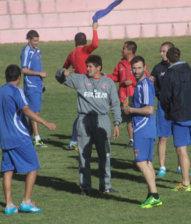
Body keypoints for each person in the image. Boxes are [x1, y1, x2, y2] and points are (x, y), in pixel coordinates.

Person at [56, 55, 122, 195]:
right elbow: (59, 78)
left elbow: (115, 104)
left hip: (102, 121)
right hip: (84, 120)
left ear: (99, 68)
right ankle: (85, 187)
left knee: (104, 155)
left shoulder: (108, 83)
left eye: (90, 66)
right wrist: (62, 72)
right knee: (83, 155)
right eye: (87, 66)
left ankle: (105, 186)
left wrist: (117, 123)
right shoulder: (81, 79)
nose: (87, 69)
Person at [0, 65, 56, 215]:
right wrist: (45, 123)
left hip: (5, 138)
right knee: (33, 166)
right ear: (19, 77)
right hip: (20, 136)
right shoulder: (17, 91)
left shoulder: (1, 91)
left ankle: (9, 205)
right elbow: (26, 110)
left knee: (8, 170)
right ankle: (26, 201)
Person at [160, 47, 191, 191]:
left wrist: (168, 111)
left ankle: (186, 183)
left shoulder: (170, 74)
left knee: (182, 149)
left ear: (168, 59)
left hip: (180, 116)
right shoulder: (190, 70)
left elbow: (164, 98)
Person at [123, 56, 162, 208]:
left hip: (143, 128)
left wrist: (130, 109)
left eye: (139, 68)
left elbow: (149, 109)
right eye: (134, 68)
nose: (136, 71)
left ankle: (154, 196)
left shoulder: (145, 85)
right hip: (147, 128)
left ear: (145, 67)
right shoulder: (140, 84)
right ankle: (152, 194)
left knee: (140, 163)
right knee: (147, 163)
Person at [63, 22, 99, 150]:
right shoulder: (84, 50)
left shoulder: (71, 54)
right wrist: (94, 30)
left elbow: (64, 69)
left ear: (75, 42)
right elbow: (95, 44)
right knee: (88, 113)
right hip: (89, 84)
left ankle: (80, 139)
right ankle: (76, 140)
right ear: (85, 41)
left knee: (85, 113)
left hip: (79, 85)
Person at [107, 41, 149, 148]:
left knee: (137, 118)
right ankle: (132, 140)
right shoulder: (120, 63)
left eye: (124, 48)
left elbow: (146, 77)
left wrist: (133, 82)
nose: (122, 50)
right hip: (123, 97)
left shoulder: (139, 62)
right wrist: (104, 76)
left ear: (130, 51)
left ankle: (140, 138)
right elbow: (115, 77)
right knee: (128, 119)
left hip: (136, 96)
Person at [151, 41, 177, 177]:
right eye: (161, 51)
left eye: (164, 51)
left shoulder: (178, 68)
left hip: (177, 107)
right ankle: (162, 167)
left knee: (178, 136)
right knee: (162, 138)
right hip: (163, 107)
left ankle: (180, 165)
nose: (162, 54)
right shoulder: (157, 68)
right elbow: (152, 85)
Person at [21, 30, 48, 147]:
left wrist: (42, 82)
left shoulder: (37, 51)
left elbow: (39, 67)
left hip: (37, 85)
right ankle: (37, 139)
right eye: (35, 40)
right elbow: (24, 70)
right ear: (29, 39)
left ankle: (26, 136)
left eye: (38, 40)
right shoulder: (26, 52)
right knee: (34, 112)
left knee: (35, 111)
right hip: (31, 86)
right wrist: (39, 74)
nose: (37, 43)